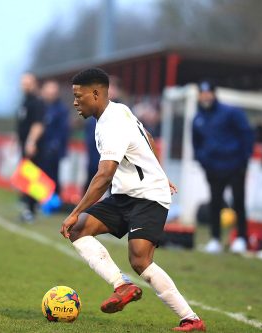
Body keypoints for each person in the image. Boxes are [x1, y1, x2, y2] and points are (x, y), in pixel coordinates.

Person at [60, 68, 206, 332]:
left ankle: (191, 319)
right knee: (79, 229)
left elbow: (104, 175)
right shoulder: (117, 111)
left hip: (149, 196)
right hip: (126, 195)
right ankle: (122, 285)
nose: (74, 102)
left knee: (139, 259)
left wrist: (75, 210)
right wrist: (159, 169)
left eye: (78, 96)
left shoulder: (112, 123)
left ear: (96, 93)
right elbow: (147, 137)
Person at [192, 80, 254, 254]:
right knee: (215, 204)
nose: (205, 96)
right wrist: (203, 162)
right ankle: (215, 239)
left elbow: (246, 134)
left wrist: (244, 161)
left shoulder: (231, 112)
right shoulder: (198, 118)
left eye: (208, 92)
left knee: (238, 202)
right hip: (213, 169)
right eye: (202, 93)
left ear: (213, 93)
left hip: (235, 166)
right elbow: (196, 144)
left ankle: (241, 238)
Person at [16, 72, 45, 222]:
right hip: (23, 144)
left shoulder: (37, 102)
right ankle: (28, 207)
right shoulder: (25, 101)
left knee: (32, 178)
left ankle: (32, 209)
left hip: (32, 146)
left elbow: (38, 124)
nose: (24, 85)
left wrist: (31, 142)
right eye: (23, 83)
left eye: (27, 83)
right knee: (26, 177)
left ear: (33, 83)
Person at [83, 75, 121, 191]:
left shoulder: (122, 111)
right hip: (95, 158)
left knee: (115, 190)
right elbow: (90, 135)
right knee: (91, 186)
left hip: (114, 160)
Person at [39, 79, 69, 210]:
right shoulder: (39, 107)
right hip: (40, 149)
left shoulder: (61, 109)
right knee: (38, 176)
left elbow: (63, 130)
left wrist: (56, 145)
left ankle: (54, 202)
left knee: (53, 176)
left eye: (53, 91)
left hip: (53, 151)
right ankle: (37, 200)